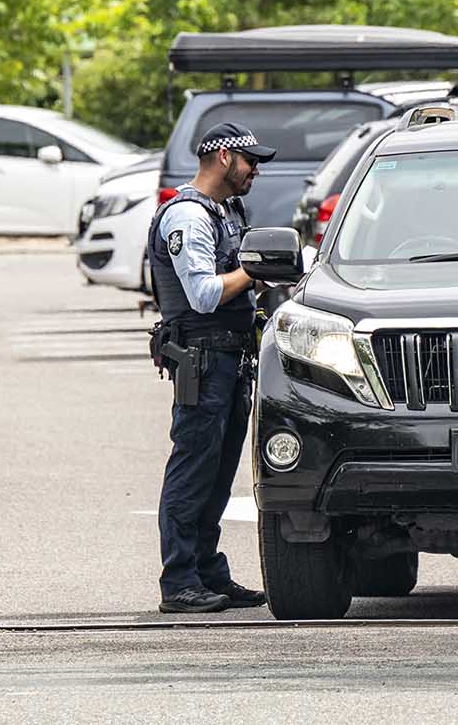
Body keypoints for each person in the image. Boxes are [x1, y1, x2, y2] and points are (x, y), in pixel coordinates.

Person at [145, 122, 272, 613]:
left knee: (218, 474)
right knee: (193, 469)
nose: (255, 170)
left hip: (229, 359)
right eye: (249, 161)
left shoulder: (225, 210)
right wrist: (254, 271)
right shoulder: (187, 217)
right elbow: (202, 295)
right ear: (223, 158)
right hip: (201, 360)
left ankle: (207, 572)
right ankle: (179, 582)